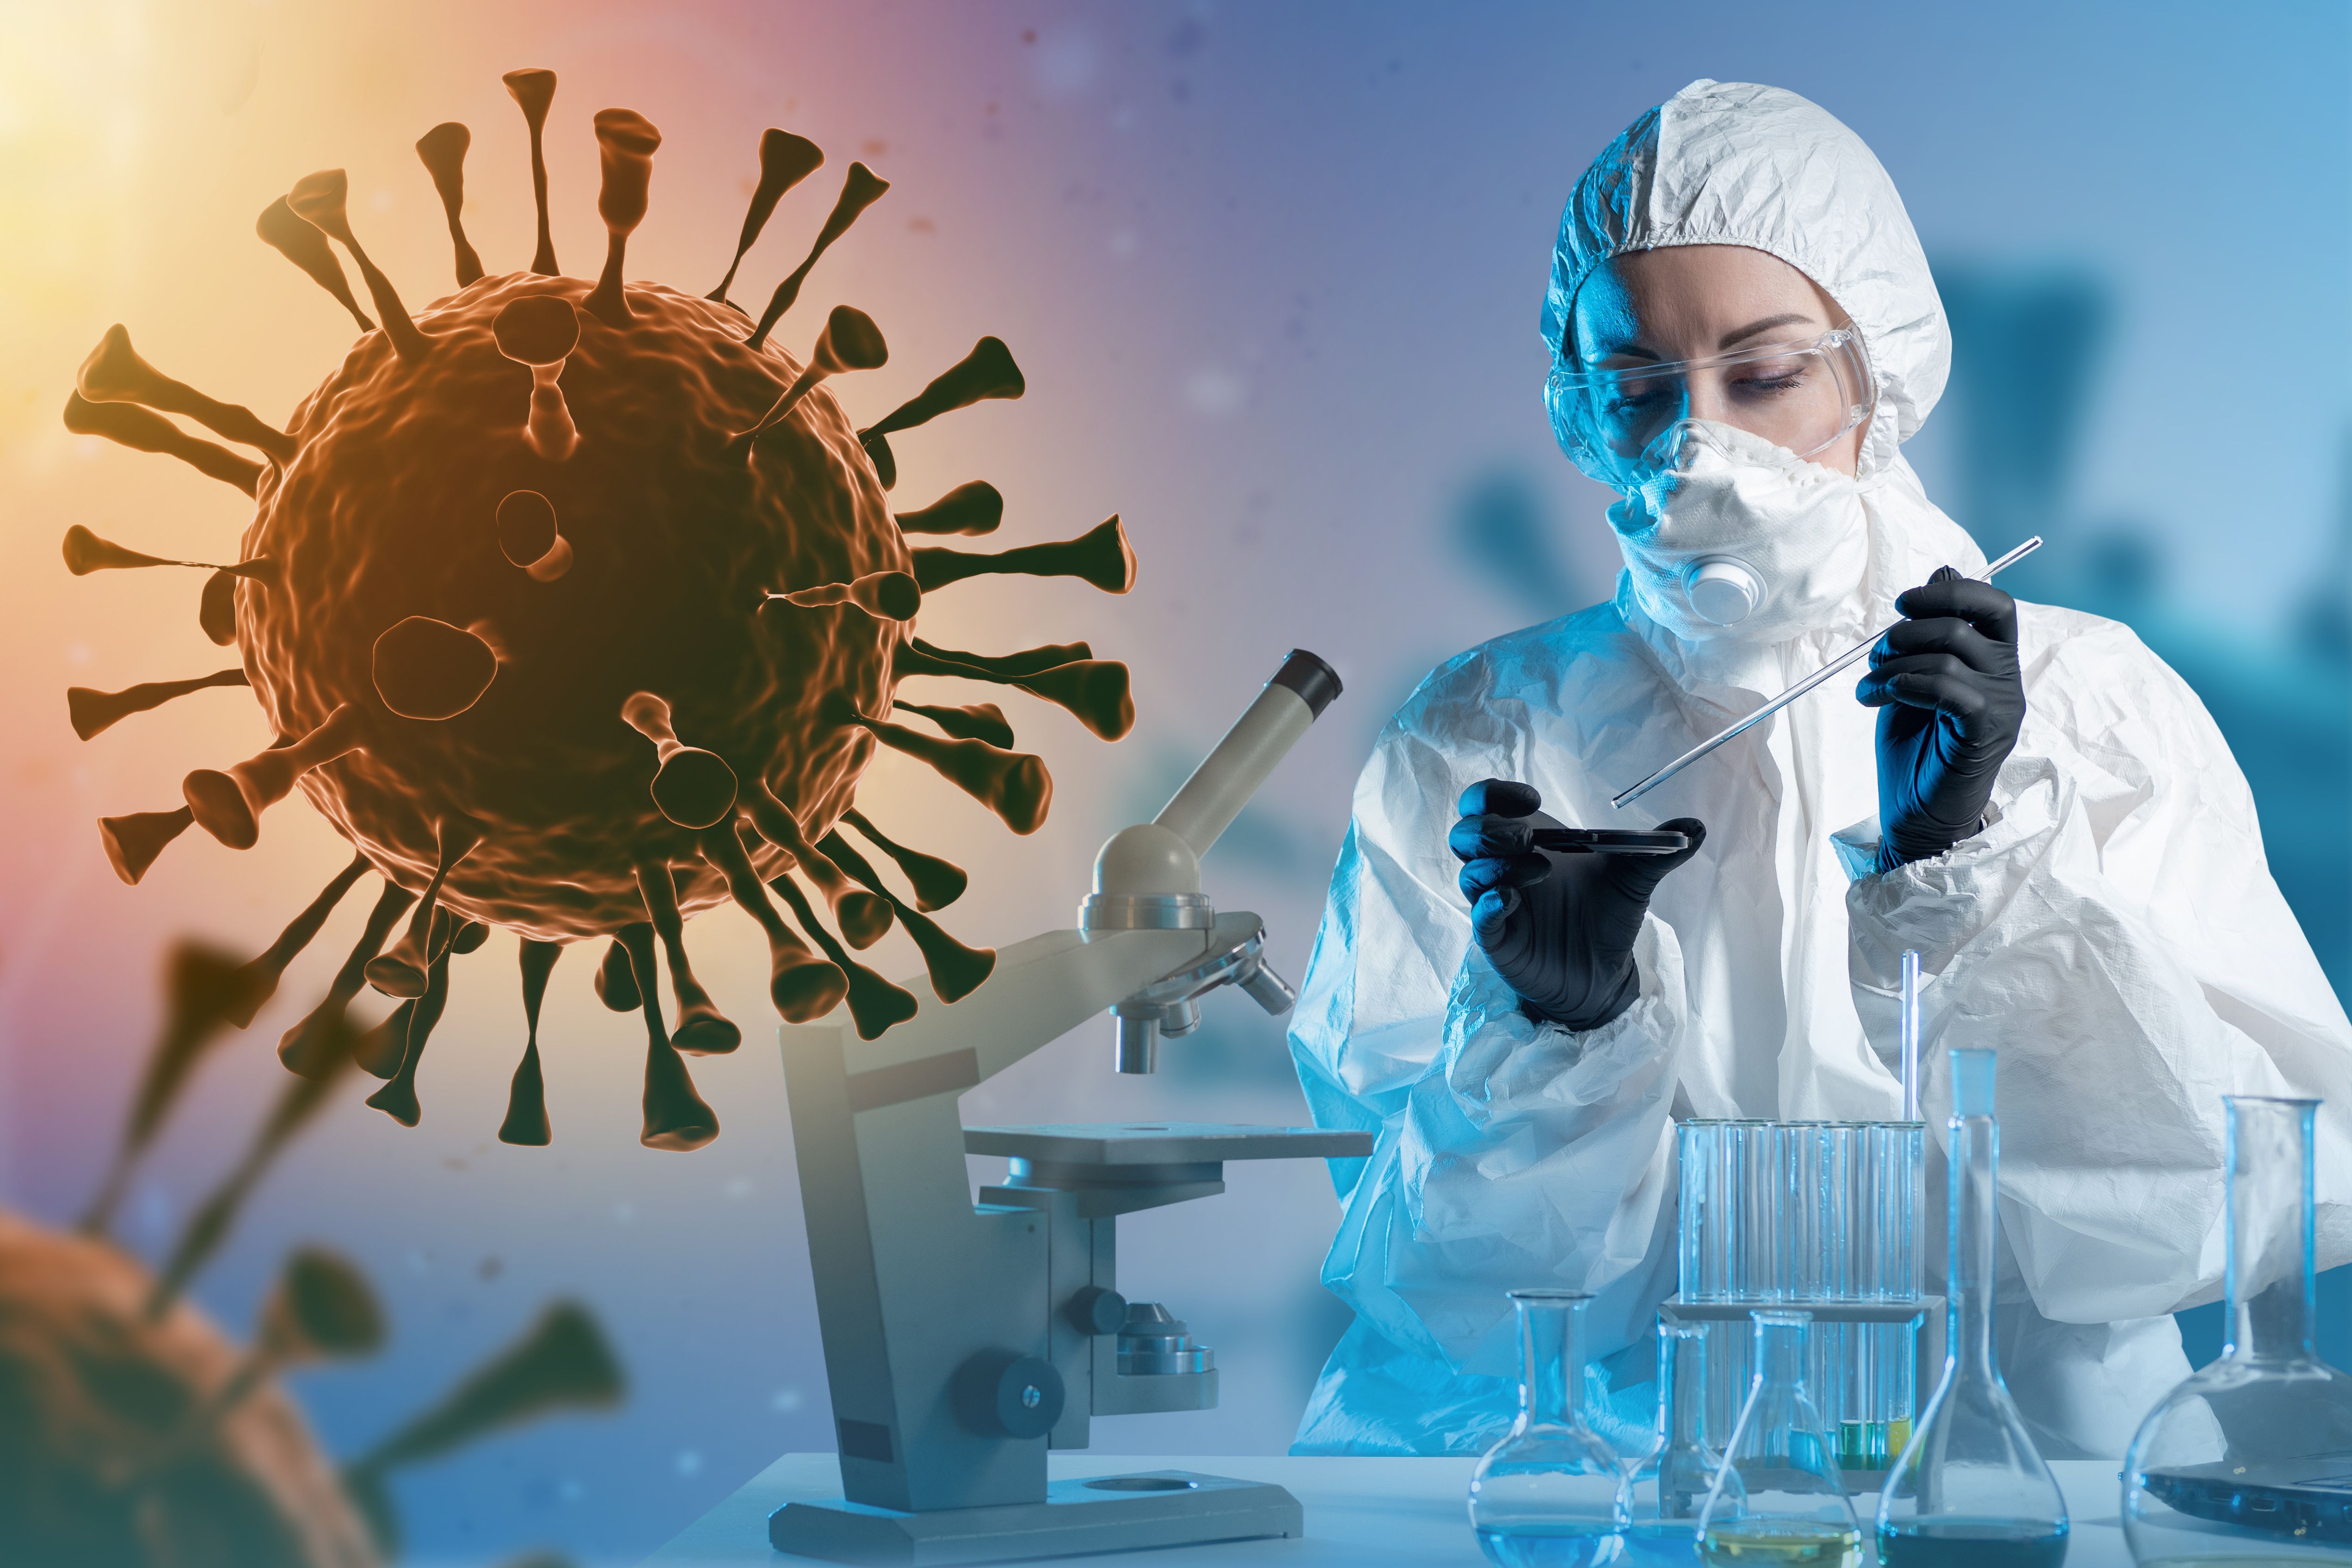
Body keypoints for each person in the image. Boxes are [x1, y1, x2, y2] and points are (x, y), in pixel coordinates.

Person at [1287, 79, 2352, 1461]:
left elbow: (2248, 1196)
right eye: (1636, 389)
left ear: (1880, 366)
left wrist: (1968, 876)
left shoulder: (2089, 706)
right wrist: (1554, 1032)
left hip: (2017, 1471)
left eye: (1766, 375)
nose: (1699, 439)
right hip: (1600, 1479)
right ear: (1577, 400)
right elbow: (1440, 1287)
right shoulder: (1485, 729)